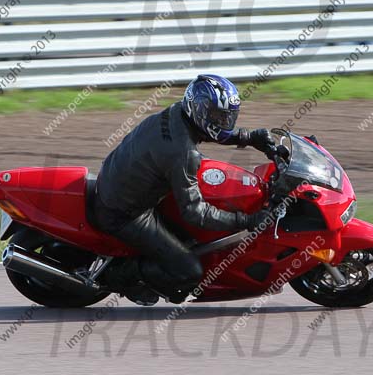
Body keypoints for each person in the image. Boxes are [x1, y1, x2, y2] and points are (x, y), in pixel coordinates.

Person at [92, 74, 275, 306]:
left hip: (122, 183)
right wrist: (247, 220)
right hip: (124, 212)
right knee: (189, 270)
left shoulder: (178, 113)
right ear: (199, 110)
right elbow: (195, 213)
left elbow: (207, 130)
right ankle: (121, 276)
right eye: (219, 116)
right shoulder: (182, 153)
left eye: (228, 117)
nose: (224, 122)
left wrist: (248, 137)